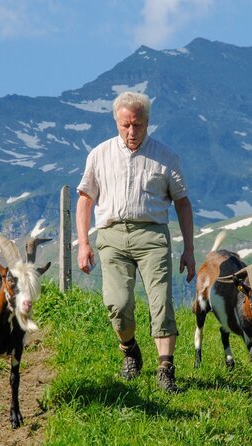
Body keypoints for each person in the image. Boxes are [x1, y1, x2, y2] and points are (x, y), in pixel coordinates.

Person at [76, 91, 196, 393]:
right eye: (126, 125)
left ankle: (165, 369)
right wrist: (83, 243)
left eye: (138, 125)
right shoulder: (99, 155)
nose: (132, 132)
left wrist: (189, 250)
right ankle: (129, 350)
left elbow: (182, 203)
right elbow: (85, 200)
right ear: (117, 122)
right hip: (112, 237)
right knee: (118, 304)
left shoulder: (166, 158)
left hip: (152, 236)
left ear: (148, 123)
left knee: (160, 302)